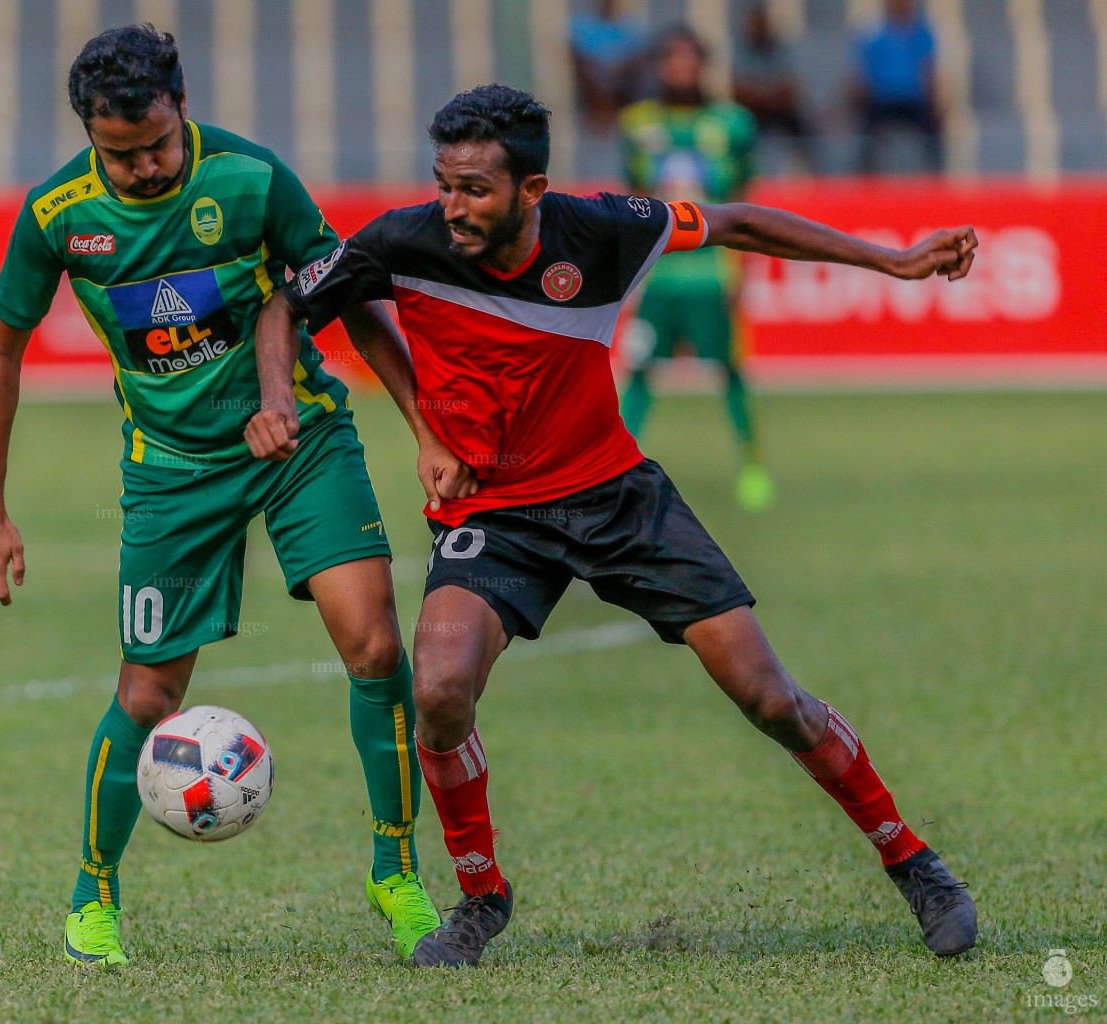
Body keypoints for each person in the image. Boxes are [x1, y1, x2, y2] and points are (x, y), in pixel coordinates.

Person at [248, 84, 979, 968]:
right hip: (492, 510)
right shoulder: (404, 239)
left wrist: (893, 261)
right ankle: (481, 898)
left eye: (475, 189)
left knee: (769, 697)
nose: (453, 207)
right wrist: (289, 398)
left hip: (616, 497)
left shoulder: (604, 228)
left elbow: (739, 220)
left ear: (532, 189)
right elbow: (289, 306)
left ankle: (916, 864)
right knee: (438, 690)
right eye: (444, 184)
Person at [0, 25, 459, 967]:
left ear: (182, 104)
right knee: (149, 691)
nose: (144, 166)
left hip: (301, 439)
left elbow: (345, 294)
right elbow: (1, 351)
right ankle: (93, 896)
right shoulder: (57, 215)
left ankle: (397, 873)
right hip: (170, 467)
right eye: (121, 153)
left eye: (155, 142)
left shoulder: (254, 179)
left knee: (377, 646)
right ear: (89, 136)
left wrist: (423, 429)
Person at [618, 26, 772, 511]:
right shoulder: (638, 123)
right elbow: (632, 204)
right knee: (640, 372)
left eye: (689, 61)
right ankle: (614, 473)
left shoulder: (733, 124)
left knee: (731, 371)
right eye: (672, 61)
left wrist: (742, 270)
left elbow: (745, 203)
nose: (681, 70)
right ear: (661, 67)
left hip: (711, 276)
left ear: (703, 66)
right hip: (660, 276)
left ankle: (752, 466)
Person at [852, 0, 942, 174]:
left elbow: (928, 71)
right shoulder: (875, 36)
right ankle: (864, 179)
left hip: (914, 102)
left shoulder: (922, 34)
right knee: (866, 135)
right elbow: (863, 74)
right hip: (882, 102)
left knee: (934, 134)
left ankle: (936, 177)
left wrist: (934, 102)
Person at [732, 3, 816, 173]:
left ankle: (811, 171)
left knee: (804, 128)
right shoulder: (741, 51)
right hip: (754, 112)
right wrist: (766, 97)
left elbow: (789, 89)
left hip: (778, 109)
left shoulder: (780, 49)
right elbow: (739, 91)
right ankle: (742, 171)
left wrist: (762, 97)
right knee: (739, 128)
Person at [569, 0, 649, 131]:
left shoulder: (631, 25)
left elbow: (638, 58)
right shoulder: (580, 25)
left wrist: (615, 73)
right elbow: (578, 57)